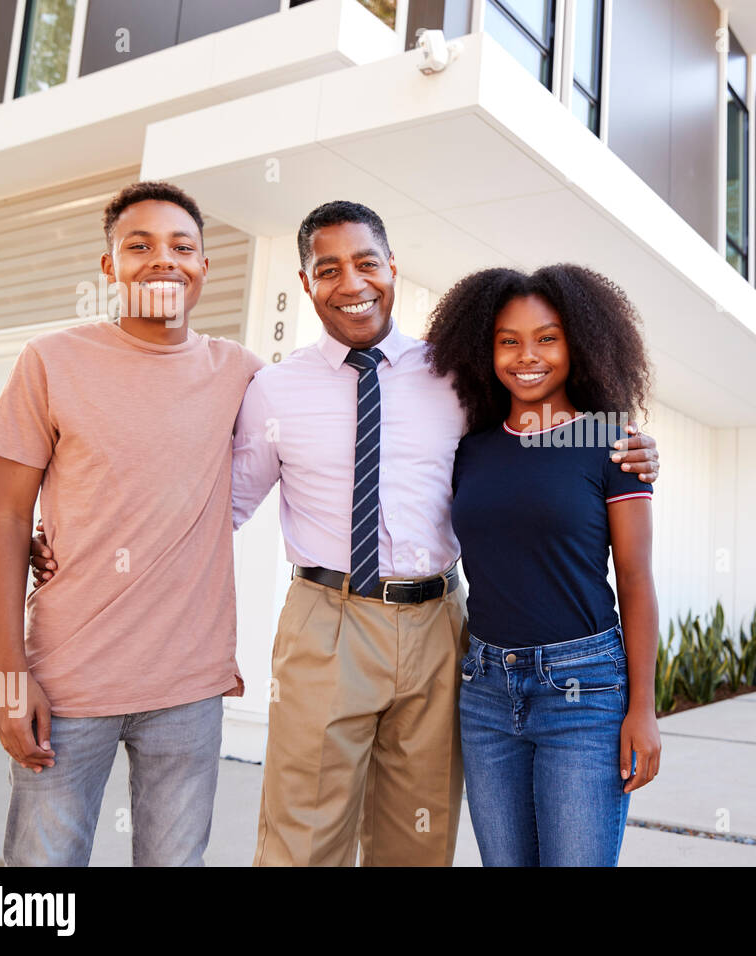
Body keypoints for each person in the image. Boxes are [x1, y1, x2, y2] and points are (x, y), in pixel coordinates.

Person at [33, 200, 662, 866]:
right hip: (324, 625)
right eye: (327, 269)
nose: (351, 283)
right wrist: (75, 536)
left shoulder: (456, 377)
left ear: (392, 268)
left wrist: (627, 442)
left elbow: (536, 432)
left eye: (366, 263)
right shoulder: (273, 389)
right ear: (306, 284)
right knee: (302, 839)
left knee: (416, 840)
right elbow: (214, 509)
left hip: (442, 632)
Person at [0, 182, 264, 866]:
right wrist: (9, 677)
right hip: (69, 681)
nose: (161, 260)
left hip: (189, 690)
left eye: (181, 246)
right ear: (108, 267)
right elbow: (9, 517)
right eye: (138, 246)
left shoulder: (241, 373)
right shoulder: (50, 360)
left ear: (204, 266)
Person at [425, 265, 662, 866]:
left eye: (547, 338)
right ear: (486, 348)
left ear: (578, 342)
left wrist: (644, 709)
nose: (526, 356)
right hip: (484, 689)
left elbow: (636, 581)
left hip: (585, 691)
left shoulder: (613, 442)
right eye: (509, 340)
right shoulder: (470, 448)